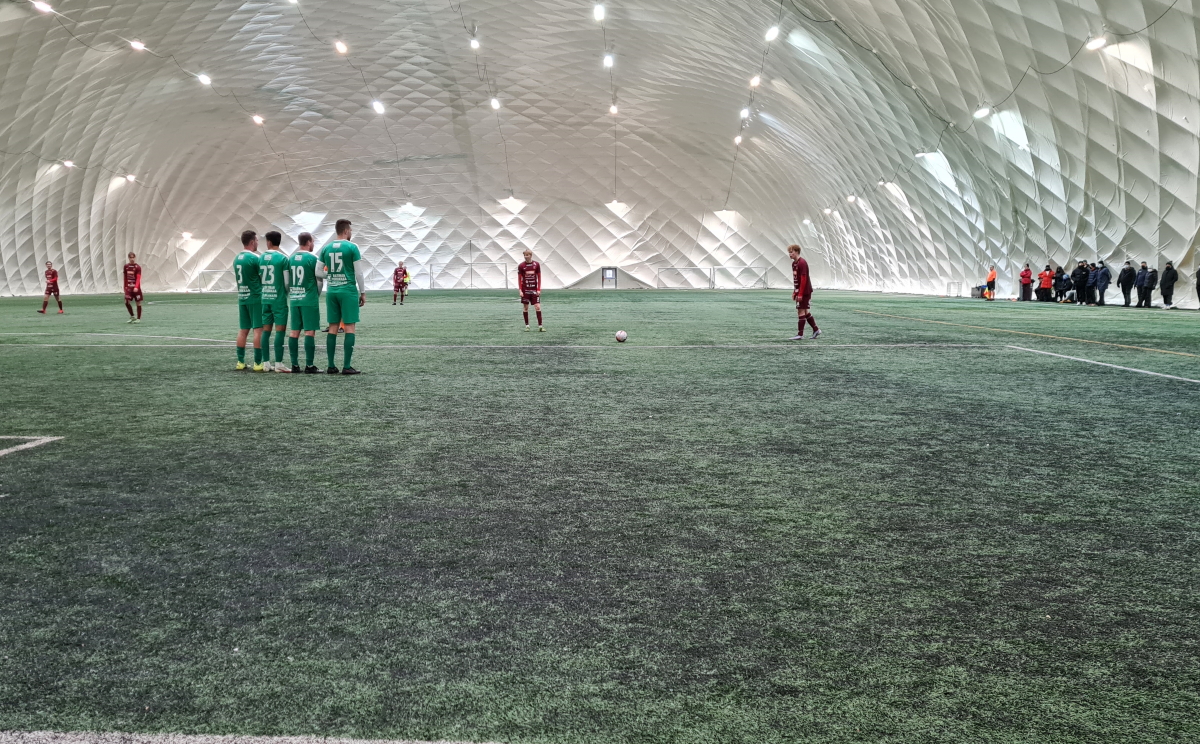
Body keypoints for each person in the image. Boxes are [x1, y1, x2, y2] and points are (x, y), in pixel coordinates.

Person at [318, 219, 366, 375]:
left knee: (332, 326)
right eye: (350, 230)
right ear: (346, 231)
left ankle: (331, 366)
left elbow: (318, 272)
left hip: (332, 291)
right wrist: (363, 292)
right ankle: (346, 366)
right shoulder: (352, 247)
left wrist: (331, 275)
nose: (351, 233)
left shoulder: (326, 248)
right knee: (350, 327)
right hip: (347, 290)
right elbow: (359, 273)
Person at [287, 232, 324, 374]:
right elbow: (319, 280)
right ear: (308, 242)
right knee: (309, 332)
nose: (313, 244)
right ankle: (309, 365)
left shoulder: (290, 259)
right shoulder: (313, 259)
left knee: (294, 332)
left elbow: (287, 281)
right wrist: (316, 295)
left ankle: (294, 365)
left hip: (294, 299)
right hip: (309, 299)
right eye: (312, 241)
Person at [233, 230, 265, 371]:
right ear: (252, 242)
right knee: (258, 330)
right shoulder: (255, 258)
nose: (258, 243)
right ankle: (258, 363)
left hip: (242, 297)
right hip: (255, 297)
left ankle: (240, 362)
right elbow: (262, 277)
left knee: (243, 330)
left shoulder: (237, 258)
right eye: (257, 240)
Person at [259, 231, 290, 372]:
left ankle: (265, 363)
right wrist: (285, 293)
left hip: (265, 298)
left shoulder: (260, 258)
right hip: (278, 299)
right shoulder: (283, 258)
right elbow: (287, 282)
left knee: (266, 330)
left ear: (269, 242)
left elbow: (260, 278)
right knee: (280, 331)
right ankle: (278, 364)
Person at [788, 244, 820, 340]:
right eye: (789, 252)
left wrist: (800, 293)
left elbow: (804, 279)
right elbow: (796, 279)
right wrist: (795, 291)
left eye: (791, 252)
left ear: (797, 252)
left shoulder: (802, 263)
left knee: (800, 311)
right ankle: (816, 330)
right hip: (800, 291)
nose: (790, 254)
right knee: (805, 312)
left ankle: (800, 334)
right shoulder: (794, 264)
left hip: (805, 291)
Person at [517, 249, 544, 331]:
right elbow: (519, 279)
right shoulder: (521, 266)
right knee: (525, 308)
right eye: (524, 255)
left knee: (537, 307)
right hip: (525, 290)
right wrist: (520, 290)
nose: (525, 257)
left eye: (527, 255)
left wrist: (538, 289)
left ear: (531, 255)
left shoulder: (536, 264)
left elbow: (539, 277)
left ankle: (540, 326)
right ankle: (527, 326)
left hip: (534, 290)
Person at [123, 253, 143, 322]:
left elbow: (138, 278)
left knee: (138, 302)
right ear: (128, 258)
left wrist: (136, 287)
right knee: (126, 302)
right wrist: (125, 286)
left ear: (135, 258)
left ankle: (138, 318)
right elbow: (125, 277)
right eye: (130, 258)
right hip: (129, 288)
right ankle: (132, 316)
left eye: (133, 257)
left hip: (136, 288)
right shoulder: (126, 266)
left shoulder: (138, 267)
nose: (132, 259)